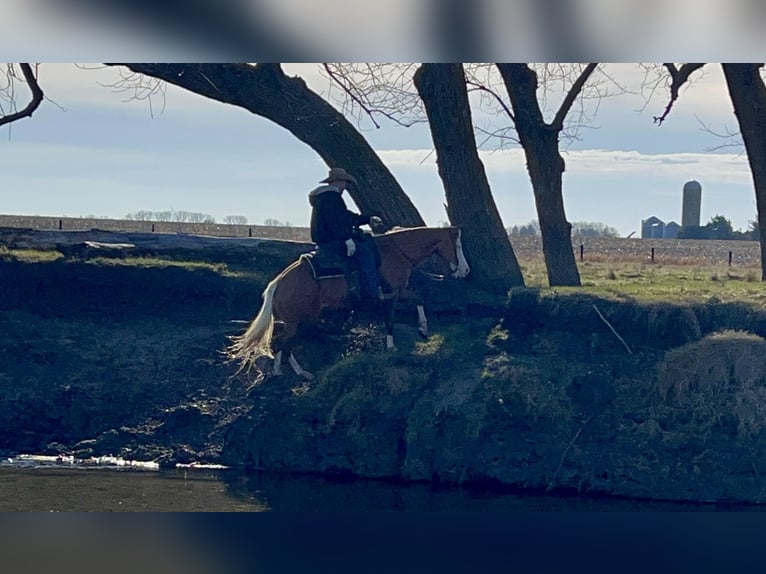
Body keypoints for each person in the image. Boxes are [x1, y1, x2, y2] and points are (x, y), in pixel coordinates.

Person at [309, 167, 384, 305]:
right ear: (338, 182)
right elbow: (337, 222)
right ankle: (372, 294)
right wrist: (346, 239)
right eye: (345, 183)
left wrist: (367, 219)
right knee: (366, 255)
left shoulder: (324, 198)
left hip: (325, 241)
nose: (345, 187)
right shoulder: (332, 198)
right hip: (334, 241)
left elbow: (344, 217)